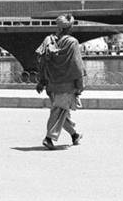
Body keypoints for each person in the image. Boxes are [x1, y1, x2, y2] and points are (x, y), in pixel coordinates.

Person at [35, 14, 86, 150]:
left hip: (52, 84)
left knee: (63, 111)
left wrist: (41, 81)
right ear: (70, 27)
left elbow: (42, 62)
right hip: (66, 84)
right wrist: (80, 84)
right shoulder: (72, 42)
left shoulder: (49, 40)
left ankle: (74, 135)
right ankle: (49, 138)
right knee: (59, 111)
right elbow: (76, 65)